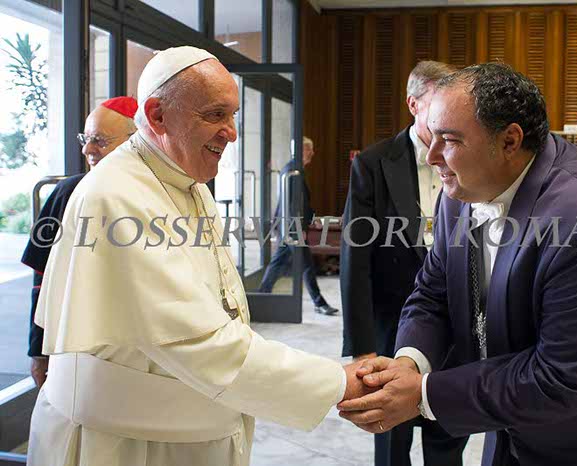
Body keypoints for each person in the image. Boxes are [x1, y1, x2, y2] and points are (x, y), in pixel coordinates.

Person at [338, 63, 577, 466]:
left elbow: (559, 378)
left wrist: (421, 394)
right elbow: (433, 293)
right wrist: (408, 364)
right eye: (431, 136)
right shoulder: (458, 193)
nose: (432, 155)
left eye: (449, 140)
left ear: (510, 140)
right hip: (514, 423)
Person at [27, 46, 371, 466]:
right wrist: (335, 382)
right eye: (215, 114)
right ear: (157, 116)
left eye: (233, 115)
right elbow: (197, 341)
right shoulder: (116, 196)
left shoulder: (188, 182)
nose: (232, 132)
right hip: (124, 445)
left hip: (189, 428)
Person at [341, 61, 467, 466]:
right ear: (413, 105)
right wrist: (361, 346)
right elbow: (355, 261)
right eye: (437, 107)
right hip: (390, 328)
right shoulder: (373, 163)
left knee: (447, 441)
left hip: (455, 329)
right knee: (391, 442)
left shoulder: (467, 157)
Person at [21, 96, 138, 389]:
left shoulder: (159, 195)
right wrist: (38, 351)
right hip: (78, 345)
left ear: (135, 142)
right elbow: (42, 279)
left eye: (99, 140)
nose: (87, 149)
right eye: (86, 139)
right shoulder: (67, 192)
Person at [258, 136, 338, 315]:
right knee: (307, 265)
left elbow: (298, 202)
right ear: (302, 150)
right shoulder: (293, 171)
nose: (313, 153)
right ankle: (319, 303)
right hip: (291, 226)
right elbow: (293, 204)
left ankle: (262, 294)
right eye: (310, 149)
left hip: (287, 225)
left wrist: (310, 218)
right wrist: (299, 226)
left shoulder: (293, 169)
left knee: (278, 262)